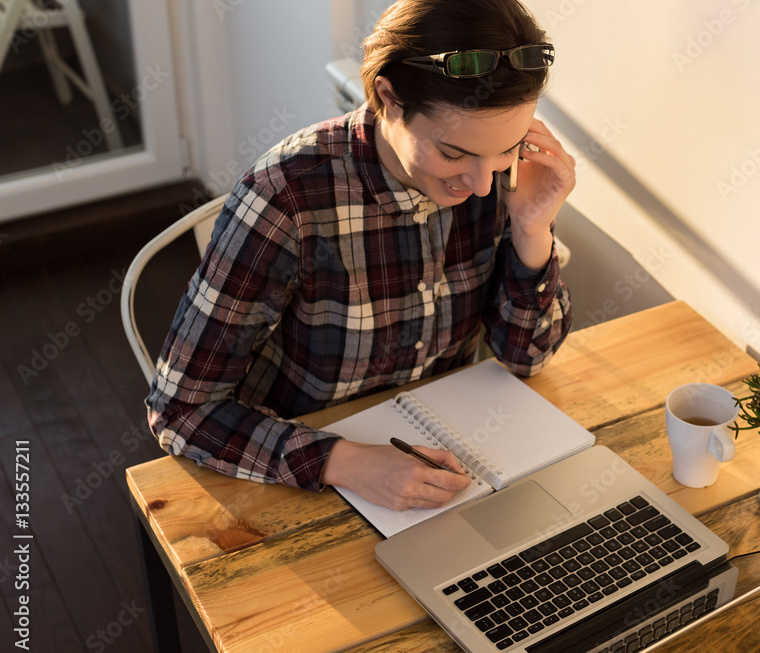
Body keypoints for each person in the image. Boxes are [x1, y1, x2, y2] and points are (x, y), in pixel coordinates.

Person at [146, 0, 575, 512]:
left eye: (506, 148)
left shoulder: (507, 183)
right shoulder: (286, 198)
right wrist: (344, 462)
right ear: (387, 97)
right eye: (454, 154)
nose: (482, 184)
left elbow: (526, 358)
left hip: (448, 459)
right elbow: (181, 412)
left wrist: (533, 228)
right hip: (296, 474)